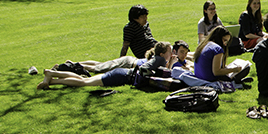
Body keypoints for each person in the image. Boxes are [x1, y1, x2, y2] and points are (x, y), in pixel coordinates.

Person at [37, 42, 172, 90]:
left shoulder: (157, 58)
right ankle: (52, 75)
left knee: (86, 79)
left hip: (121, 73)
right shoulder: (159, 59)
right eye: (170, 52)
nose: (171, 54)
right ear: (162, 53)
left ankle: (52, 80)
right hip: (120, 76)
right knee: (84, 82)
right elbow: (144, 69)